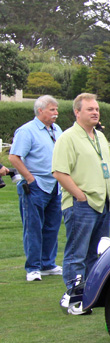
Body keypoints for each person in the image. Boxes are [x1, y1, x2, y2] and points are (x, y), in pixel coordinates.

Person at [52, 93, 110, 314]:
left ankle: (90, 295)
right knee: (76, 253)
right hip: (82, 204)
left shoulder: (100, 137)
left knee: (96, 253)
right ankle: (73, 298)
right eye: (90, 109)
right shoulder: (68, 138)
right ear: (77, 112)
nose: (95, 112)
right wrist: (80, 196)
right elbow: (60, 172)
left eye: (97, 109)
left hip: (103, 204)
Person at [8, 95, 64, 282]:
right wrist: (30, 179)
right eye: (52, 110)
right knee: (33, 227)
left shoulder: (57, 129)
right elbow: (14, 157)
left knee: (52, 226)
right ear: (40, 111)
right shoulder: (26, 131)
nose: (56, 113)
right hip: (35, 186)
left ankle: (48, 264)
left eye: (56, 110)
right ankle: (33, 267)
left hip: (55, 185)